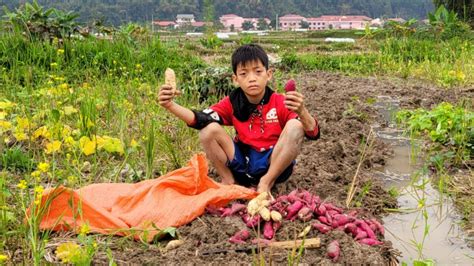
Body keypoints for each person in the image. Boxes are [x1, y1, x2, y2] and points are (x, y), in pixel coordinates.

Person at [158, 44, 319, 193]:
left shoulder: (280, 101)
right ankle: (228, 180)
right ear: (235, 79)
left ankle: (266, 183)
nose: (252, 78)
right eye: (244, 73)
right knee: (208, 130)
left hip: (273, 165)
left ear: (268, 75)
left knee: (295, 126)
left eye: (258, 72)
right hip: (243, 164)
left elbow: (314, 133)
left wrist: (302, 111)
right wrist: (170, 105)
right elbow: (200, 119)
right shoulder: (232, 103)